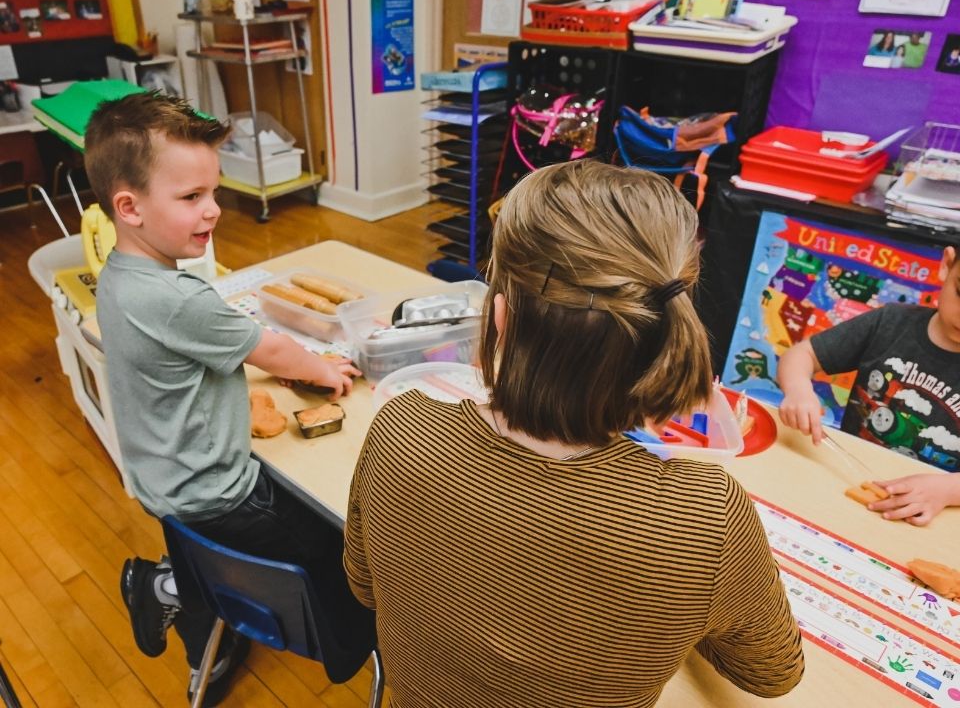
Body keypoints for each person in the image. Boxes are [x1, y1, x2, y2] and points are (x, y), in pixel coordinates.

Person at [344, 161, 804, 707]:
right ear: (659, 332)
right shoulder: (706, 517)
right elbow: (773, 674)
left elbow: (364, 585)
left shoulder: (403, 427)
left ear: (501, 319)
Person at [84, 92, 375, 705]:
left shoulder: (120, 275)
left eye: (213, 192)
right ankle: (355, 645)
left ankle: (175, 592)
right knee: (343, 544)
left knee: (206, 555)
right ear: (129, 206)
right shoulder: (178, 299)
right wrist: (323, 369)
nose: (213, 210)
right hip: (223, 496)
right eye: (191, 198)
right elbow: (271, 350)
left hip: (165, 483)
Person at [778, 246, 960, 527]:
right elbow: (801, 356)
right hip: (847, 488)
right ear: (947, 265)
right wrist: (799, 389)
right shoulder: (891, 322)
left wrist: (948, 490)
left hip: (932, 520)